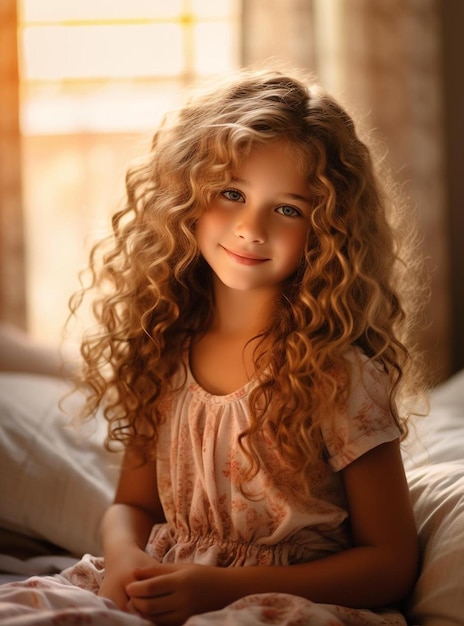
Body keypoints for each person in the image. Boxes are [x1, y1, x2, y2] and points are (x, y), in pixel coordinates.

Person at [0, 67, 423, 626]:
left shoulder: (337, 374)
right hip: (166, 584)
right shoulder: (163, 348)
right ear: (186, 200)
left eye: (288, 208)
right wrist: (126, 557)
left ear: (329, 231)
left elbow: (391, 562)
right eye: (232, 193)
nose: (251, 227)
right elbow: (133, 504)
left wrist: (220, 590)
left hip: (282, 601)